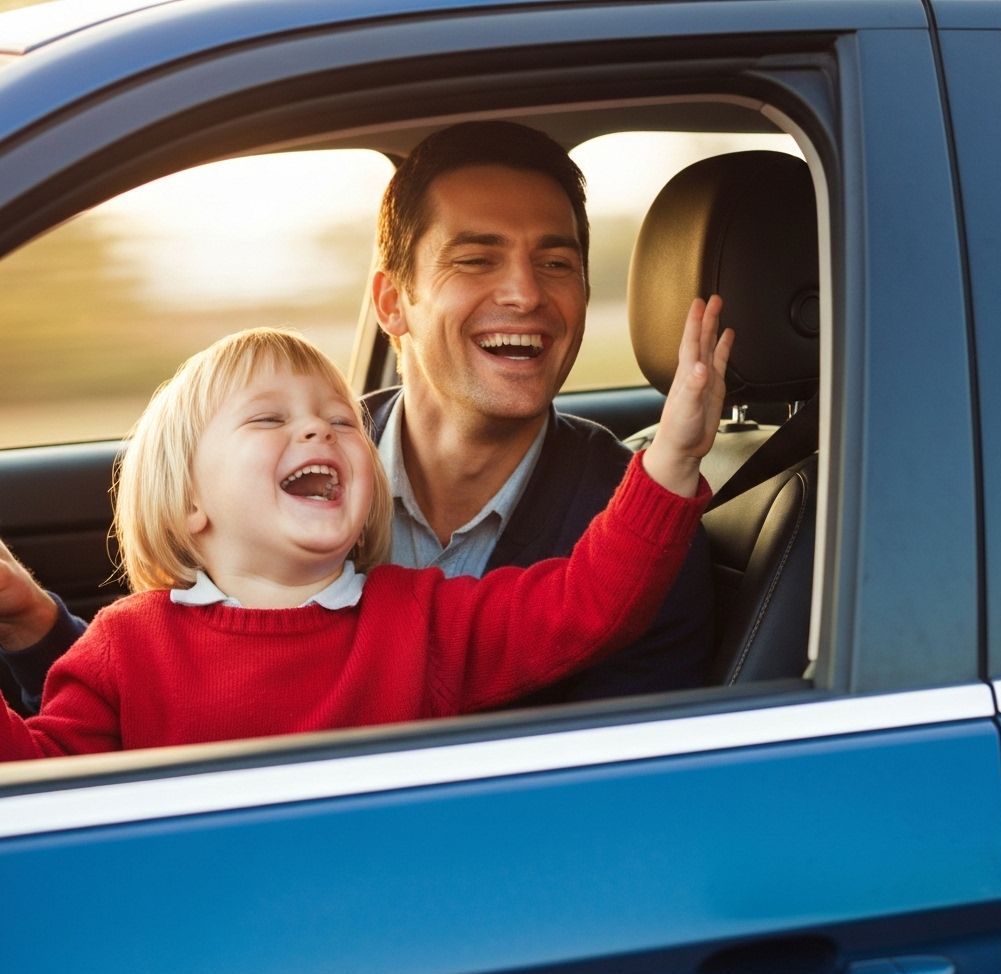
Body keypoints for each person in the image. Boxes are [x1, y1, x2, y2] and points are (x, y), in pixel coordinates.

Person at [0, 120, 716, 714]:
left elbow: (609, 788)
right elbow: (179, 701)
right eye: (476, 259)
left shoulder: (642, 543)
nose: (526, 294)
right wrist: (38, 627)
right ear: (392, 303)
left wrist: (672, 465)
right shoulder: (302, 476)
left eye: (556, 264)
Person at [0, 300, 730, 758]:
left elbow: (588, 604)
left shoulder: (421, 618)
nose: (319, 429)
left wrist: (671, 458)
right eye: (269, 417)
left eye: (342, 420)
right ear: (191, 501)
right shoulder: (126, 647)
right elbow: (37, 780)